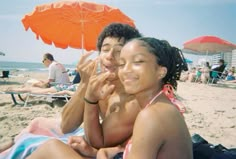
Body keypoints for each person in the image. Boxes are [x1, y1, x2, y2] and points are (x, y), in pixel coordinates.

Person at [27, 37, 192, 159]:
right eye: (122, 63)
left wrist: (99, 153)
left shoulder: (152, 115)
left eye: (138, 61)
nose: (126, 70)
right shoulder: (159, 104)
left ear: (160, 72)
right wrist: (97, 152)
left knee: (51, 148)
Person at [1, 23, 142, 158]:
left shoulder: (132, 97)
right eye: (105, 49)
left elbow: (98, 142)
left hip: (110, 148)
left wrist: (90, 98)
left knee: (38, 144)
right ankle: (11, 143)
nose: (109, 56)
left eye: (118, 51)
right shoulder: (100, 84)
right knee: (36, 124)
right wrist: (84, 83)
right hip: (99, 140)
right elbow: (67, 125)